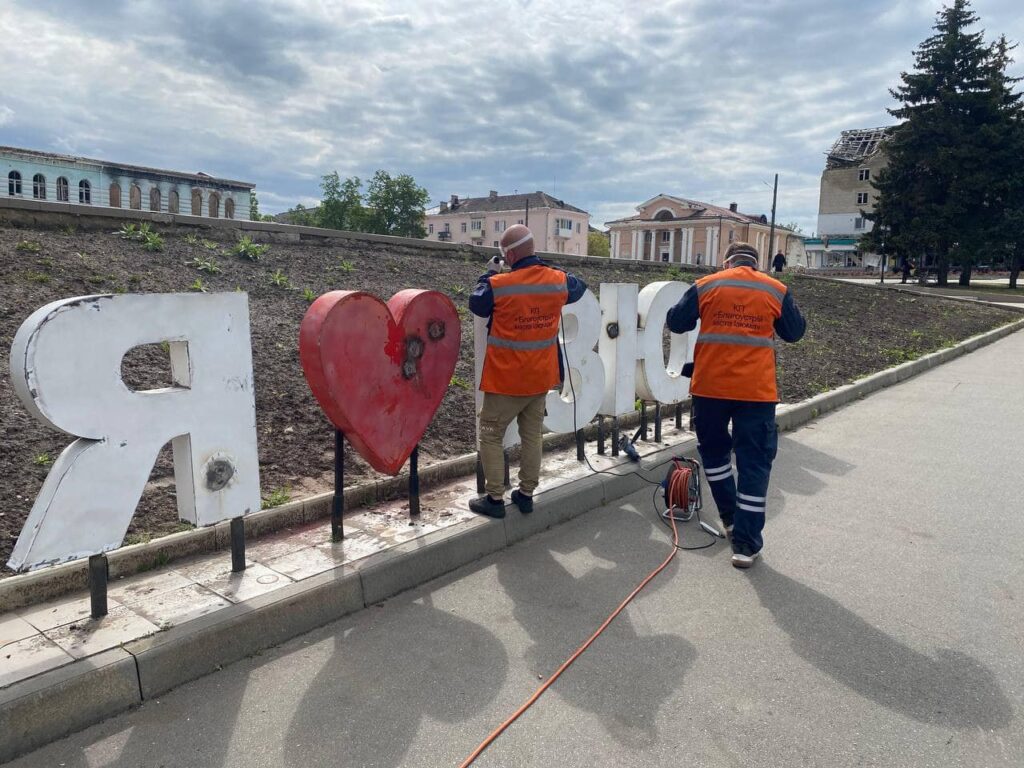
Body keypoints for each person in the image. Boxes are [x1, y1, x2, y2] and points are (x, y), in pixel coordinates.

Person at [666, 242, 806, 568]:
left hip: (710, 390)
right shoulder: (775, 289)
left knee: (714, 455)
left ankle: (729, 518)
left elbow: (676, 322)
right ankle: (745, 545)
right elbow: (795, 332)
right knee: (754, 463)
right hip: (755, 393)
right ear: (756, 264)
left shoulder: (707, 285)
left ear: (726, 262)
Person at [468, 224, 587, 519]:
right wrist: (545, 267)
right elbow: (579, 286)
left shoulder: (500, 285)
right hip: (540, 377)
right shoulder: (556, 281)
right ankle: (526, 494)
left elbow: (477, 302)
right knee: (532, 435)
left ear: (508, 254)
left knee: (490, 435)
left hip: (506, 379)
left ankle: (495, 499)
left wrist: (490, 273)